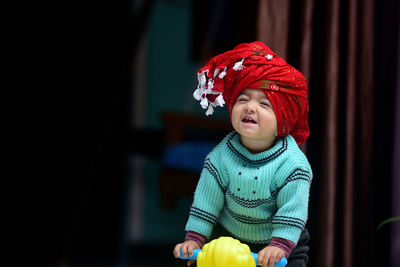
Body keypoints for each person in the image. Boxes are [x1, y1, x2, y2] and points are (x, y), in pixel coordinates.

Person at [173, 41, 312, 267]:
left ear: (284, 120)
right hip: (228, 235)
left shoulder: (293, 165)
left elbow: (292, 211)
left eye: (264, 104)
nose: (250, 108)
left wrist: (278, 246)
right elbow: (206, 202)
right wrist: (195, 239)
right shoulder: (220, 156)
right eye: (243, 99)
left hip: (280, 241)